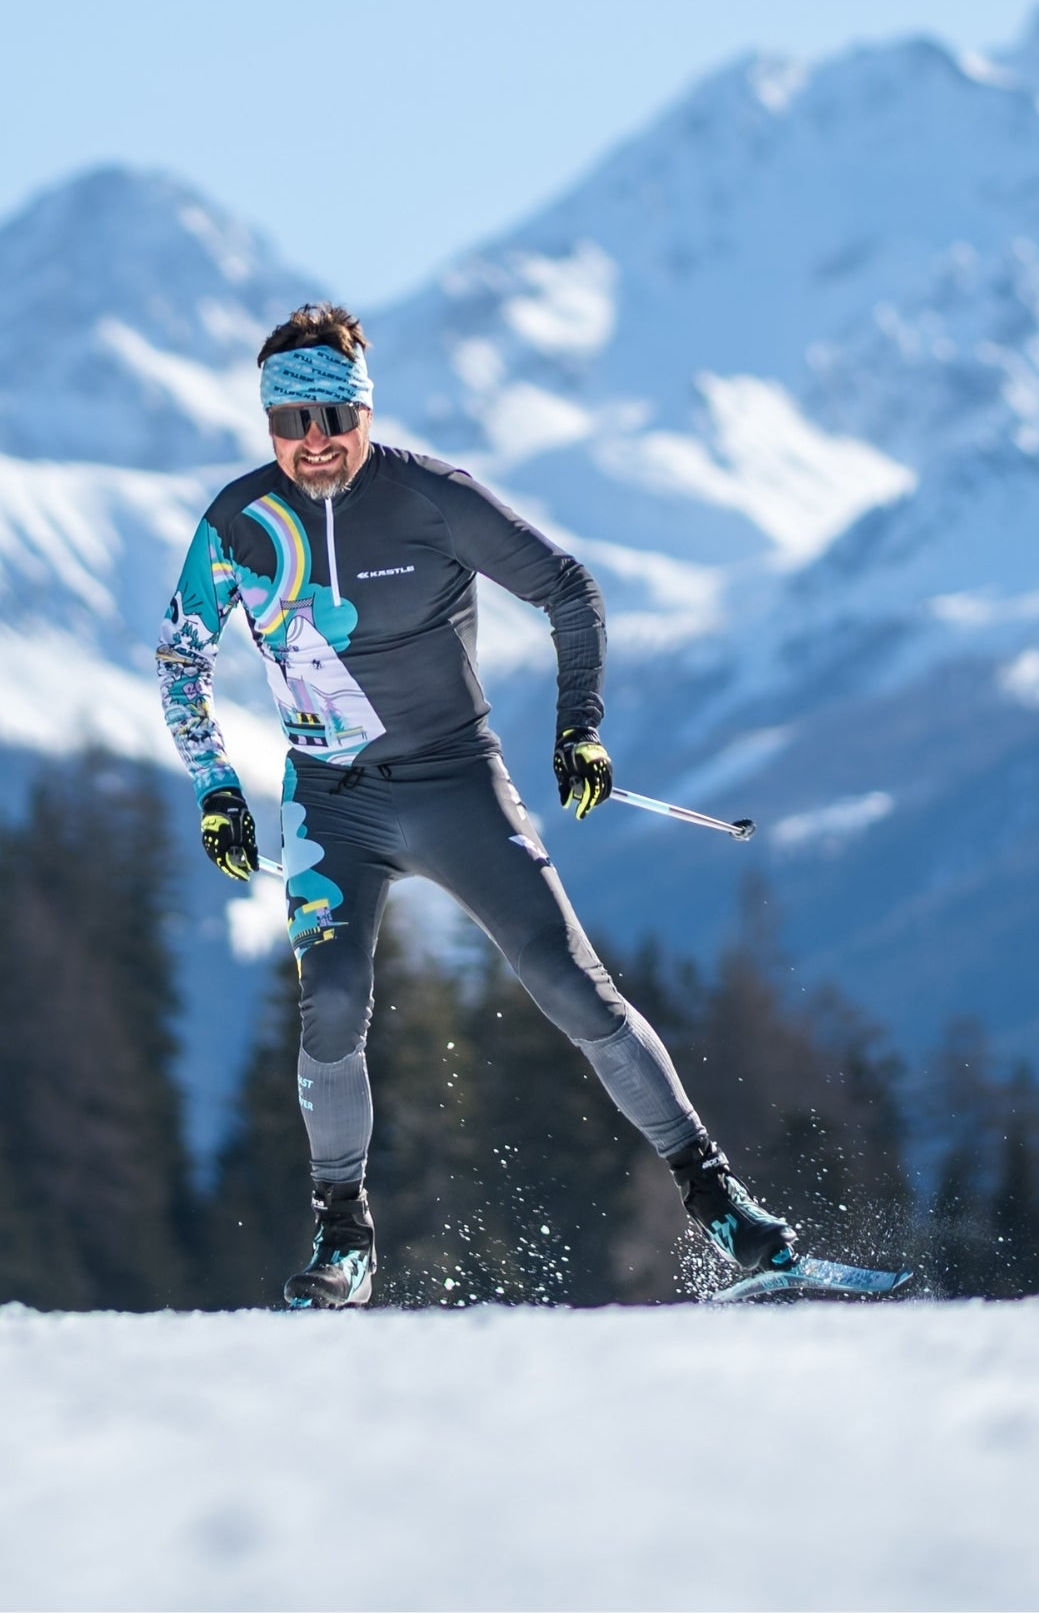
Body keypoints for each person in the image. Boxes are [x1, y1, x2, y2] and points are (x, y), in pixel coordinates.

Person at [157, 303, 796, 1306]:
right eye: (289, 421)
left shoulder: (430, 496)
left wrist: (578, 725)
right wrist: (216, 791)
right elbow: (180, 660)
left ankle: (719, 1202)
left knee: (568, 981)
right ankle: (344, 1236)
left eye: (333, 415)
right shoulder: (239, 522)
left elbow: (569, 589)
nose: (313, 441)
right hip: (333, 802)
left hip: (458, 782)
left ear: (365, 409)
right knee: (329, 1005)